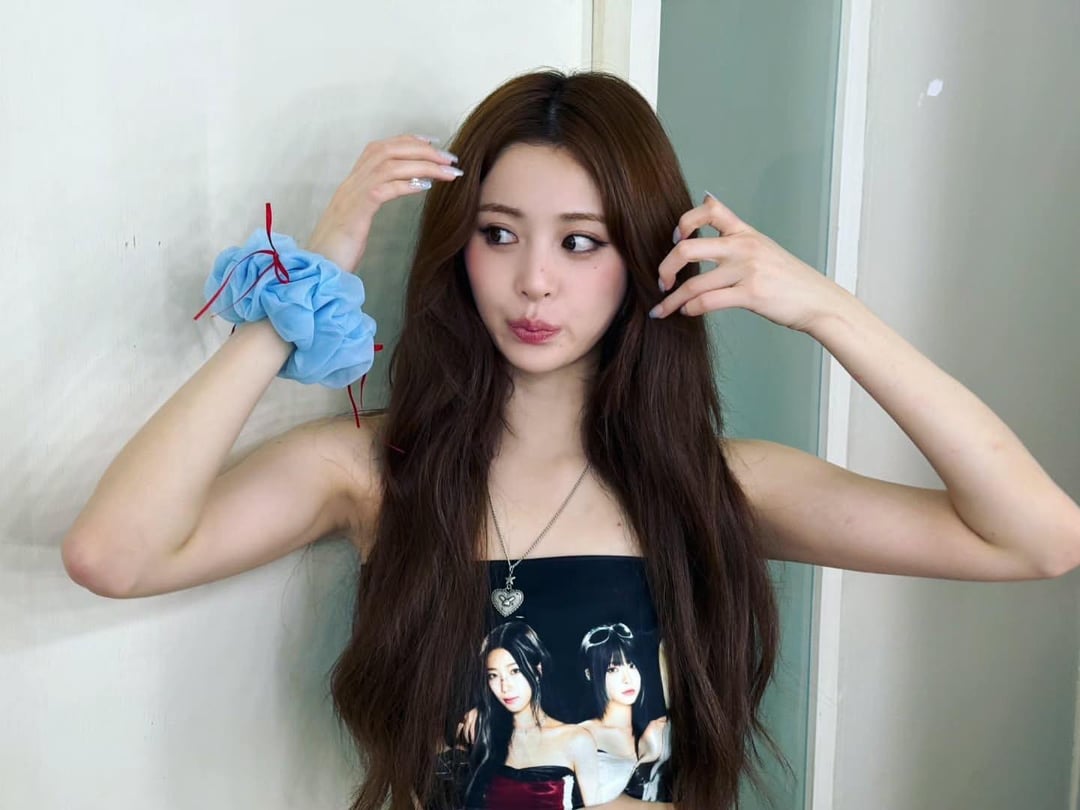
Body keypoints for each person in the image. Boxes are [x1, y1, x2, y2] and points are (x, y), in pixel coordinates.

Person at [60, 68, 1080, 810]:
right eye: (499, 234)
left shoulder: (720, 487)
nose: (534, 280)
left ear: (642, 257)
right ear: (459, 250)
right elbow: (114, 553)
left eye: (581, 242)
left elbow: (1037, 538)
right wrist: (303, 292)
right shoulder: (372, 472)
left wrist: (827, 312)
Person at [462, 622, 600, 808]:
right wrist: (480, 711)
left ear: (538, 669)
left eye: (515, 671)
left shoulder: (576, 739)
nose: (505, 686)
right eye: (493, 675)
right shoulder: (485, 732)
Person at [578, 623, 671, 803]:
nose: (627, 678)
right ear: (590, 674)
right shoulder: (581, 736)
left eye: (631, 665)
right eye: (613, 669)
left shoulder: (659, 730)